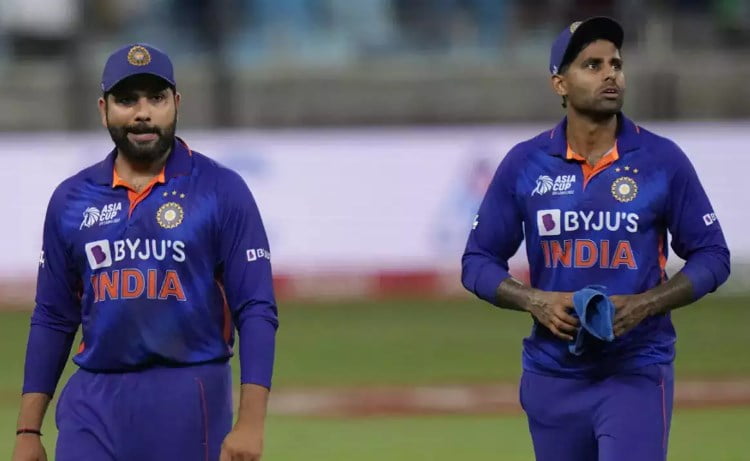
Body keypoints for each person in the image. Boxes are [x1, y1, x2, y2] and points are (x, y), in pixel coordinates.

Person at [461, 17, 730, 461]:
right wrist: (534, 300)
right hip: (552, 375)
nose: (611, 75)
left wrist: (645, 304)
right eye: (592, 65)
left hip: (635, 370)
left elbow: (713, 255)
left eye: (616, 64)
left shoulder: (662, 159)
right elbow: (477, 262)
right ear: (559, 83)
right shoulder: (525, 164)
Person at [12, 43, 279, 461]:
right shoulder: (71, 199)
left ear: (176, 103)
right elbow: (53, 315)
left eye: (156, 98)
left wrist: (251, 423)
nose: (142, 113)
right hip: (92, 401)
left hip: (188, 394)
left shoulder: (220, 190)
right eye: (127, 100)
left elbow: (257, 308)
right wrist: (28, 430)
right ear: (103, 109)